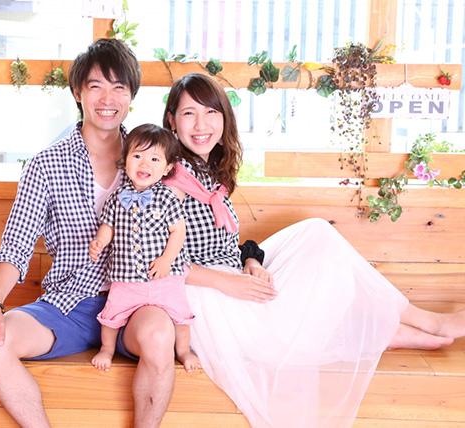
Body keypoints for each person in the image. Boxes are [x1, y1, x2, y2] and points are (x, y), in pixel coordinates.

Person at [160, 72, 465, 428]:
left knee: (316, 233)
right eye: (189, 113)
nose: (202, 125)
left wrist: (250, 262)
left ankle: (395, 327)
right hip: (199, 295)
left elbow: (224, 244)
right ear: (172, 120)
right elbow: (154, 258)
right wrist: (229, 283)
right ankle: (406, 327)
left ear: (224, 118)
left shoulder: (209, 171)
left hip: (228, 274)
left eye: (211, 112)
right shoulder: (165, 175)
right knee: (298, 297)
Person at [0, 39, 176, 428]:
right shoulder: (45, 165)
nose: (108, 99)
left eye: (119, 87)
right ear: (78, 93)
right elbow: (16, 245)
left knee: (160, 335)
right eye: (96, 86)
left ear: (131, 96)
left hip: (135, 301)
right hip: (68, 304)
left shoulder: (153, 159)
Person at [89, 123, 199, 373]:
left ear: (167, 168)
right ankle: (106, 349)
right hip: (125, 277)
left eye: (154, 159)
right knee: (111, 315)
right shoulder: (117, 197)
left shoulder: (168, 198)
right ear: (125, 160)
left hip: (163, 277)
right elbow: (108, 226)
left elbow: (178, 231)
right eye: (137, 156)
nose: (144, 164)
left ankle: (184, 350)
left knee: (181, 315)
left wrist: (166, 260)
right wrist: (100, 242)